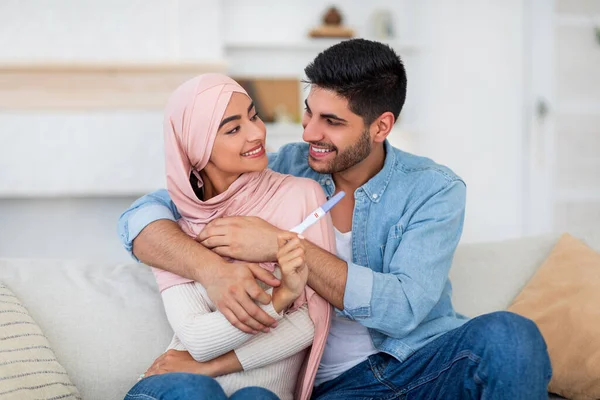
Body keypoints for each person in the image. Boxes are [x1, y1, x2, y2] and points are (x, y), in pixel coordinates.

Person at [119, 39, 552, 399]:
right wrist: (210, 270)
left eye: (331, 122)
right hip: (334, 389)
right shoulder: (284, 170)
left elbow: (402, 310)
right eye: (309, 112)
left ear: (380, 126)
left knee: (511, 336)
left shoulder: (434, 190)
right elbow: (148, 215)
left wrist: (282, 245)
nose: (308, 132)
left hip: (423, 366)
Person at [126, 73, 337, 400]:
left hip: (254, 392)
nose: (257, 133)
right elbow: (196, 339)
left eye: (253, 115)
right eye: (233, 128)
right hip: (177, 389)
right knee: (198, 391)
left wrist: (209, 367)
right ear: (197, 145)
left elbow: (310, 324)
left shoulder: (301, 197)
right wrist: (281, 299)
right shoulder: (174, 230)